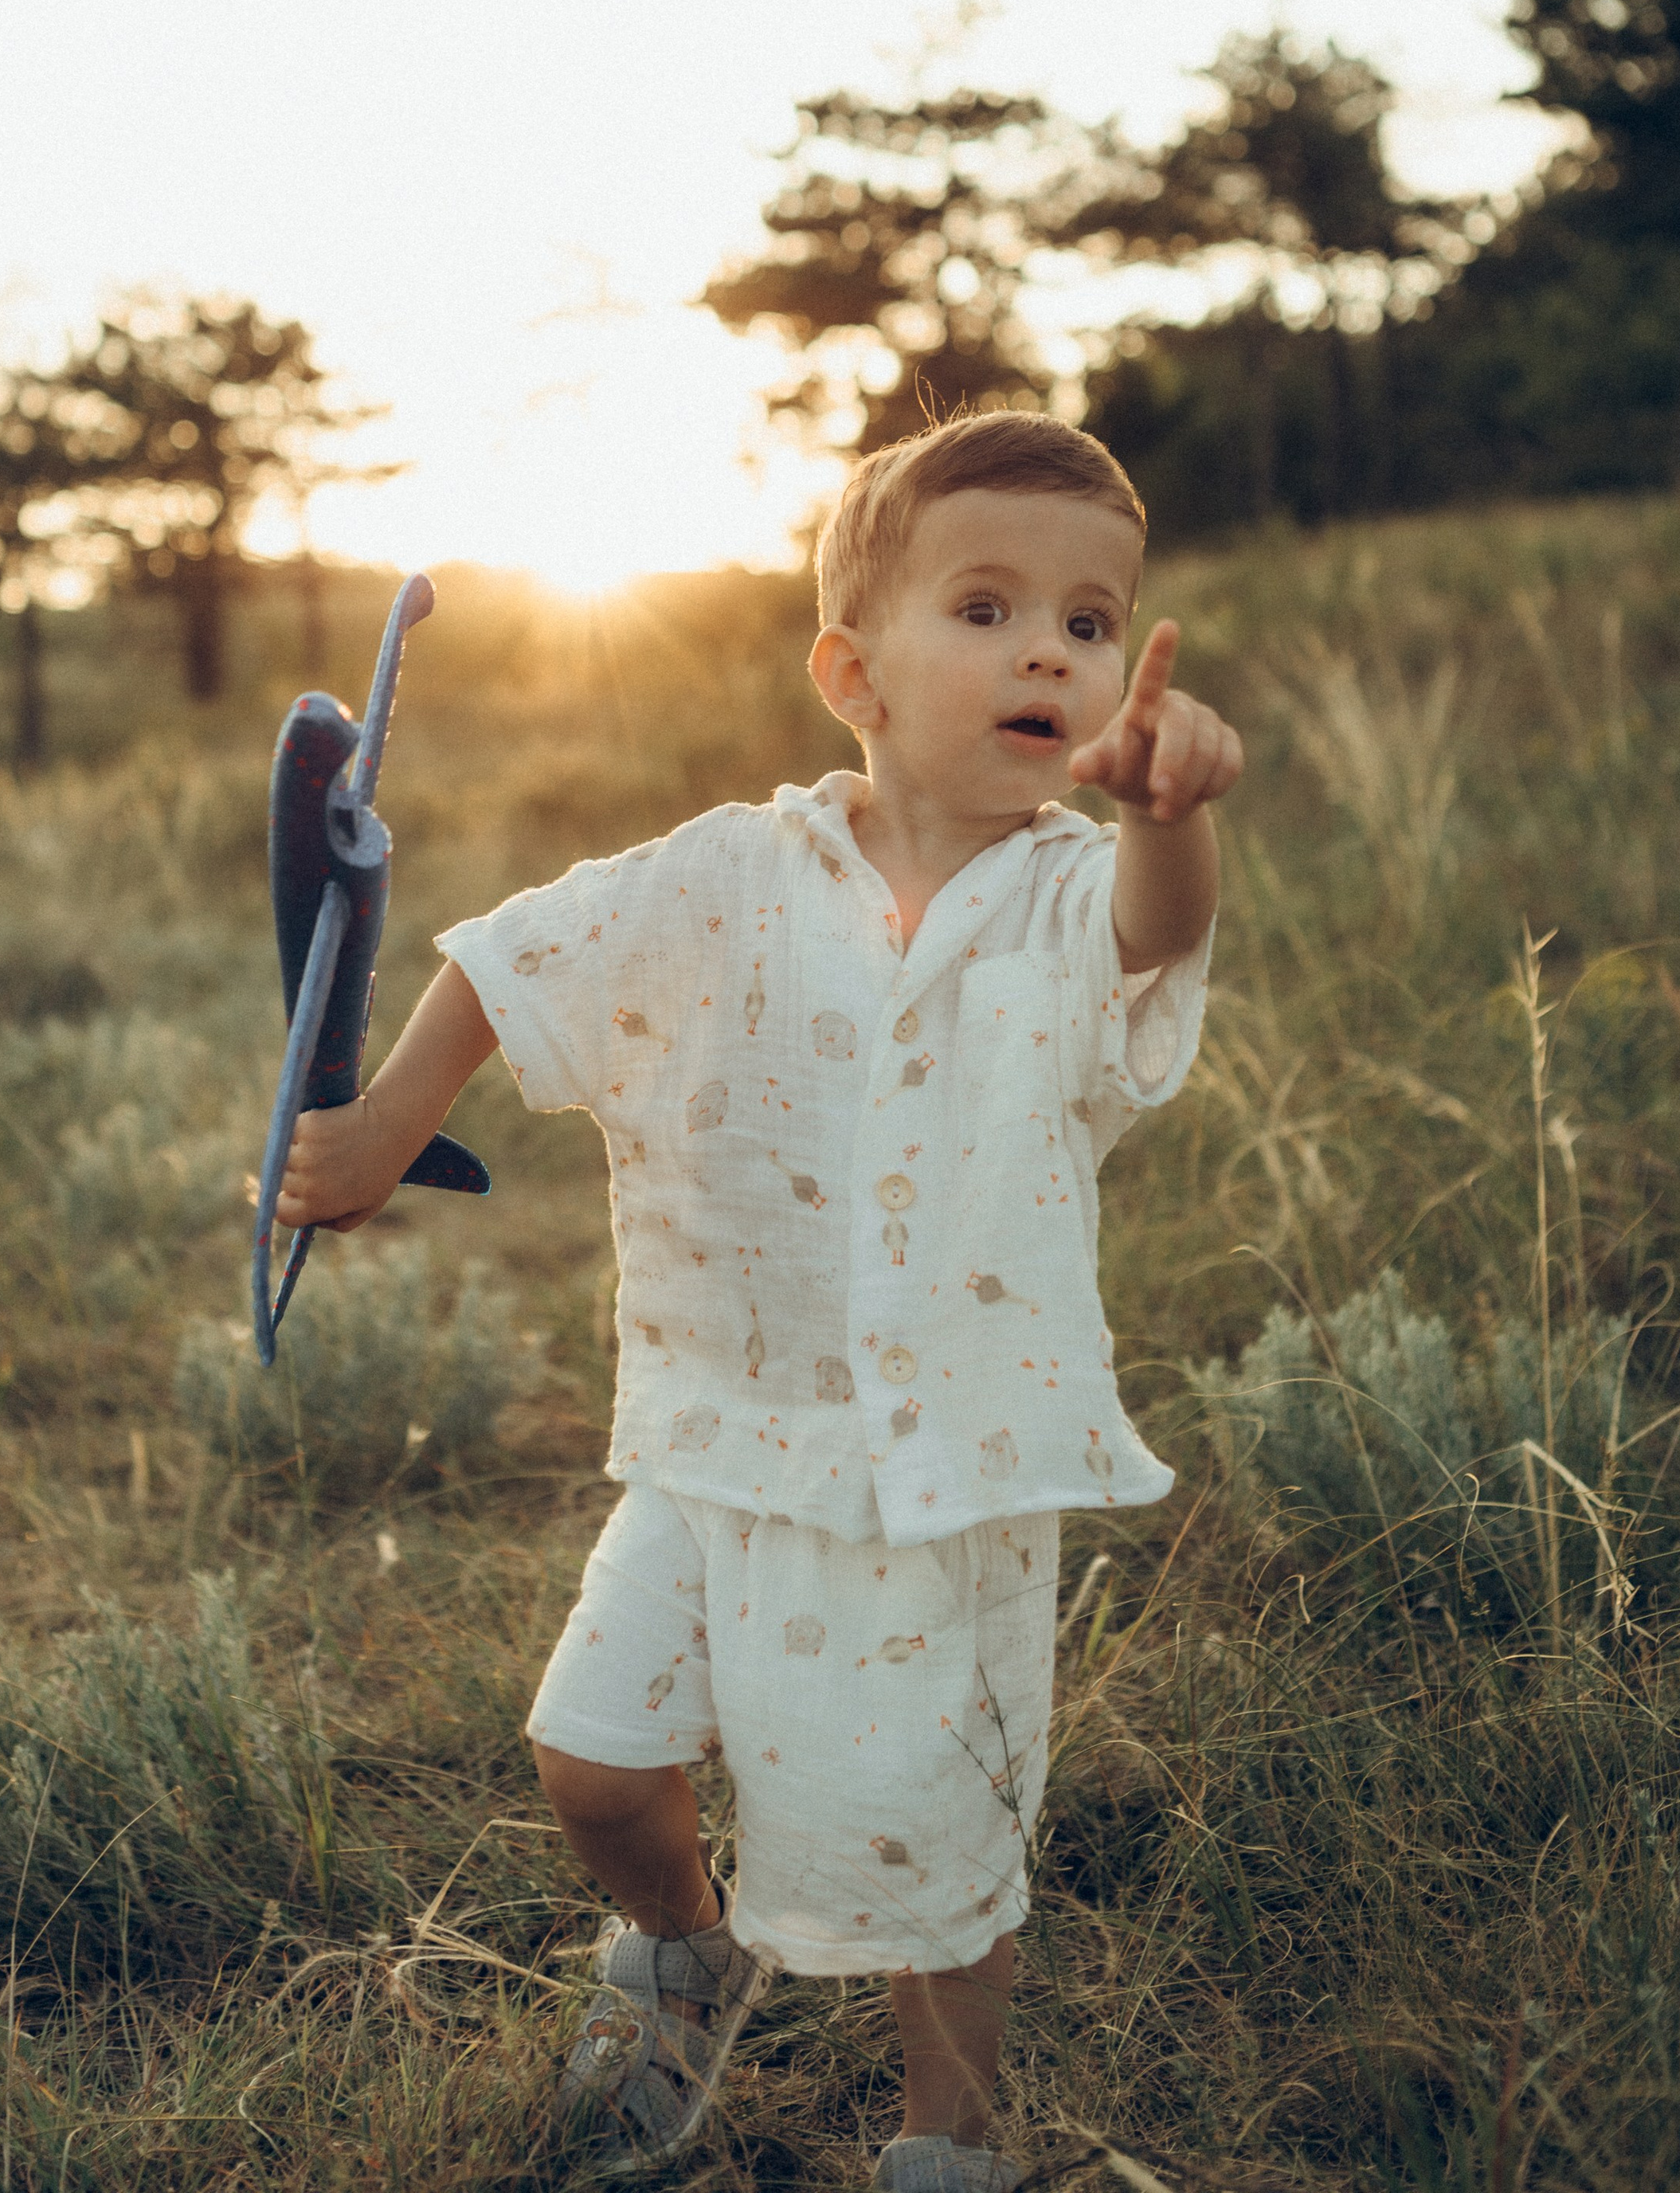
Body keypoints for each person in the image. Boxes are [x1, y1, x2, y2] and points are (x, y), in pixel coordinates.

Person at [272, 413, 1243, 2191]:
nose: (1049, 647)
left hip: (933, 1471)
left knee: (916, 1845)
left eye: (1090, 623)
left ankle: (948, 2135)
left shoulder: (1062, 896)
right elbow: (512, 956)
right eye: (986, 605)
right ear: (849, 670)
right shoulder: (731, 869)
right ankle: (678, 1953)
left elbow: (1151, 938)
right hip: (716, 1432)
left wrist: (1165, 818)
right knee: (586, 1757)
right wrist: (384, 1126)